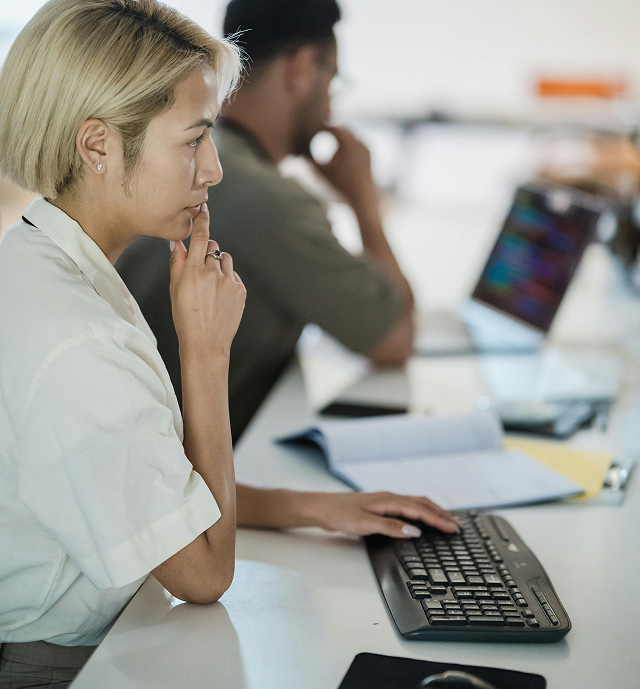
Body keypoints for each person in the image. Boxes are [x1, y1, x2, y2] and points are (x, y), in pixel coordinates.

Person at [0, 1, 457, 685]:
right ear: (96, 146)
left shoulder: (43, 259)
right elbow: (203, 571)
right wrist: (205, 352)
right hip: (62, 662)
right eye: (192, 140)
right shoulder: (82, 341)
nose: (212, 169)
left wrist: (312, 506)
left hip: (111, 627)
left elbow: (149, 481)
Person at [116, 0, 415, 442]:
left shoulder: (193, 157)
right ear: (301, 67)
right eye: (332, 80)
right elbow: (395, 338)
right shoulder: (267, 200)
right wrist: (364, 203)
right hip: (177, 478)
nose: (331, 106)